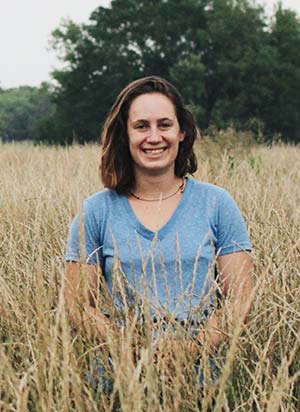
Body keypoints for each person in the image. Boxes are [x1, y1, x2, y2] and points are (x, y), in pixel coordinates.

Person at [65, 76, 253, 376]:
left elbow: (241, 298)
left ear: (182, 132)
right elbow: (75, 305)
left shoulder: (217, 203)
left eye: (164, 125)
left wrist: (191, 349)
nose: (154, 137)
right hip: (121, 379)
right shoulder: (96, 211)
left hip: (203, 381)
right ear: (125, 135)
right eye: (141, 126)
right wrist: (131, 348)